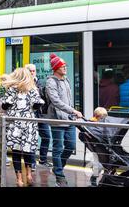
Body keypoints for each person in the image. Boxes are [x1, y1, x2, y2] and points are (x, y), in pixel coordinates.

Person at [1, 68, 44, 187]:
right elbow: (37, 105)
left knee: (16, 152)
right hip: (29, 123)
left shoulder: (11, 90)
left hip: (15, 124)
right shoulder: (32, 89)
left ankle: (19, 179)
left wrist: (5, 109)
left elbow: (5, 105)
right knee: (28, 150)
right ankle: (29, 174)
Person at [45, 53, 83, 187]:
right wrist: (73, 111)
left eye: (65, 65)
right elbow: (56, 101)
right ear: (56, 68)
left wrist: (72, 112)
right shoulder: (51, 82)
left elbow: (69, 100)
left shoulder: (66, 80)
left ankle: (57, 167)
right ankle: (60, 177)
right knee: (58, 148)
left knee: (71, 146)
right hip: (57, 119)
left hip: (68, 119)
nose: (65, 68)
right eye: (62, 66)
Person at [25, 64, 53, 169]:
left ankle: (43, 159)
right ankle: (32, 162)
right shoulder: (23, 84)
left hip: (41, 114)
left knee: (46, 136)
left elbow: (45, 97)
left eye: (34, 71)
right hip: (29, 115)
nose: (32, 72)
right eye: (30, 71)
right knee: (31, 138)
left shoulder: (40, 82)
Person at [88, 107, 108, 187]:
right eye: (102, 118)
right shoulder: (92, 124)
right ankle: (93, 178)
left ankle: (105, 180)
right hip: (96, 149)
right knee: (98, 166)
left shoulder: (105, 124)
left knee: (107, 165)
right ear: (96, 116)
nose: (104, 119)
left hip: (105, 148)